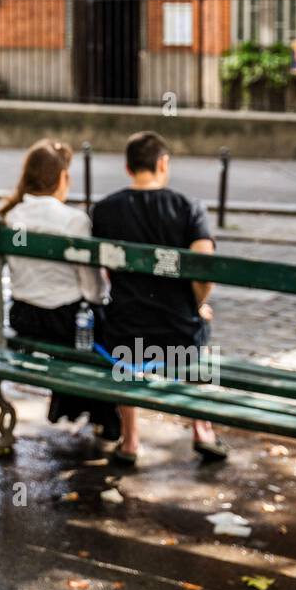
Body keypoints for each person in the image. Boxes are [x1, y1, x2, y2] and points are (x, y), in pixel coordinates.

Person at [91, 130, 226, 466]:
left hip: (126, 331)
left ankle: (131, 440)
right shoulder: (188, 208)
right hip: (178, 331)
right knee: (199, 327)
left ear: (128, 167)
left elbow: (105, 269)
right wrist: (197, 305)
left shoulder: (105, 210)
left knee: (126, 349)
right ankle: (201, 429)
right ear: (163, 163)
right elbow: (204, 269)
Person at [0, 139, 118, 441]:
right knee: (102, 331)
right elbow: (92, 290)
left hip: (23, 316)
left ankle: (66, 404)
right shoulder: (74, 220)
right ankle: (102, 415)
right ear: (63, 177)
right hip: (64, 321)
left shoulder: (12, 216)